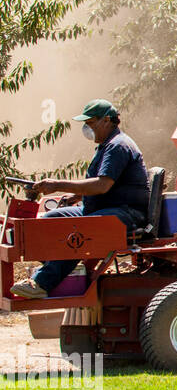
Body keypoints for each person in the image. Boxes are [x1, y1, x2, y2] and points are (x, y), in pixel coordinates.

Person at [9, 100, 150, 300]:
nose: (87, 128)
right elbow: (106, 183)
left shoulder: (118, 146)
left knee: (77, 233)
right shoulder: (106, 145)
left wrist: (57, 185)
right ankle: (64, 271)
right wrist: (77, 195)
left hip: (125, 214)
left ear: (107, 121)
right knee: (50, 221)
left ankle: (41, 283)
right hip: (102, 209)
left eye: (91, 123)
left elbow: (102, 185)